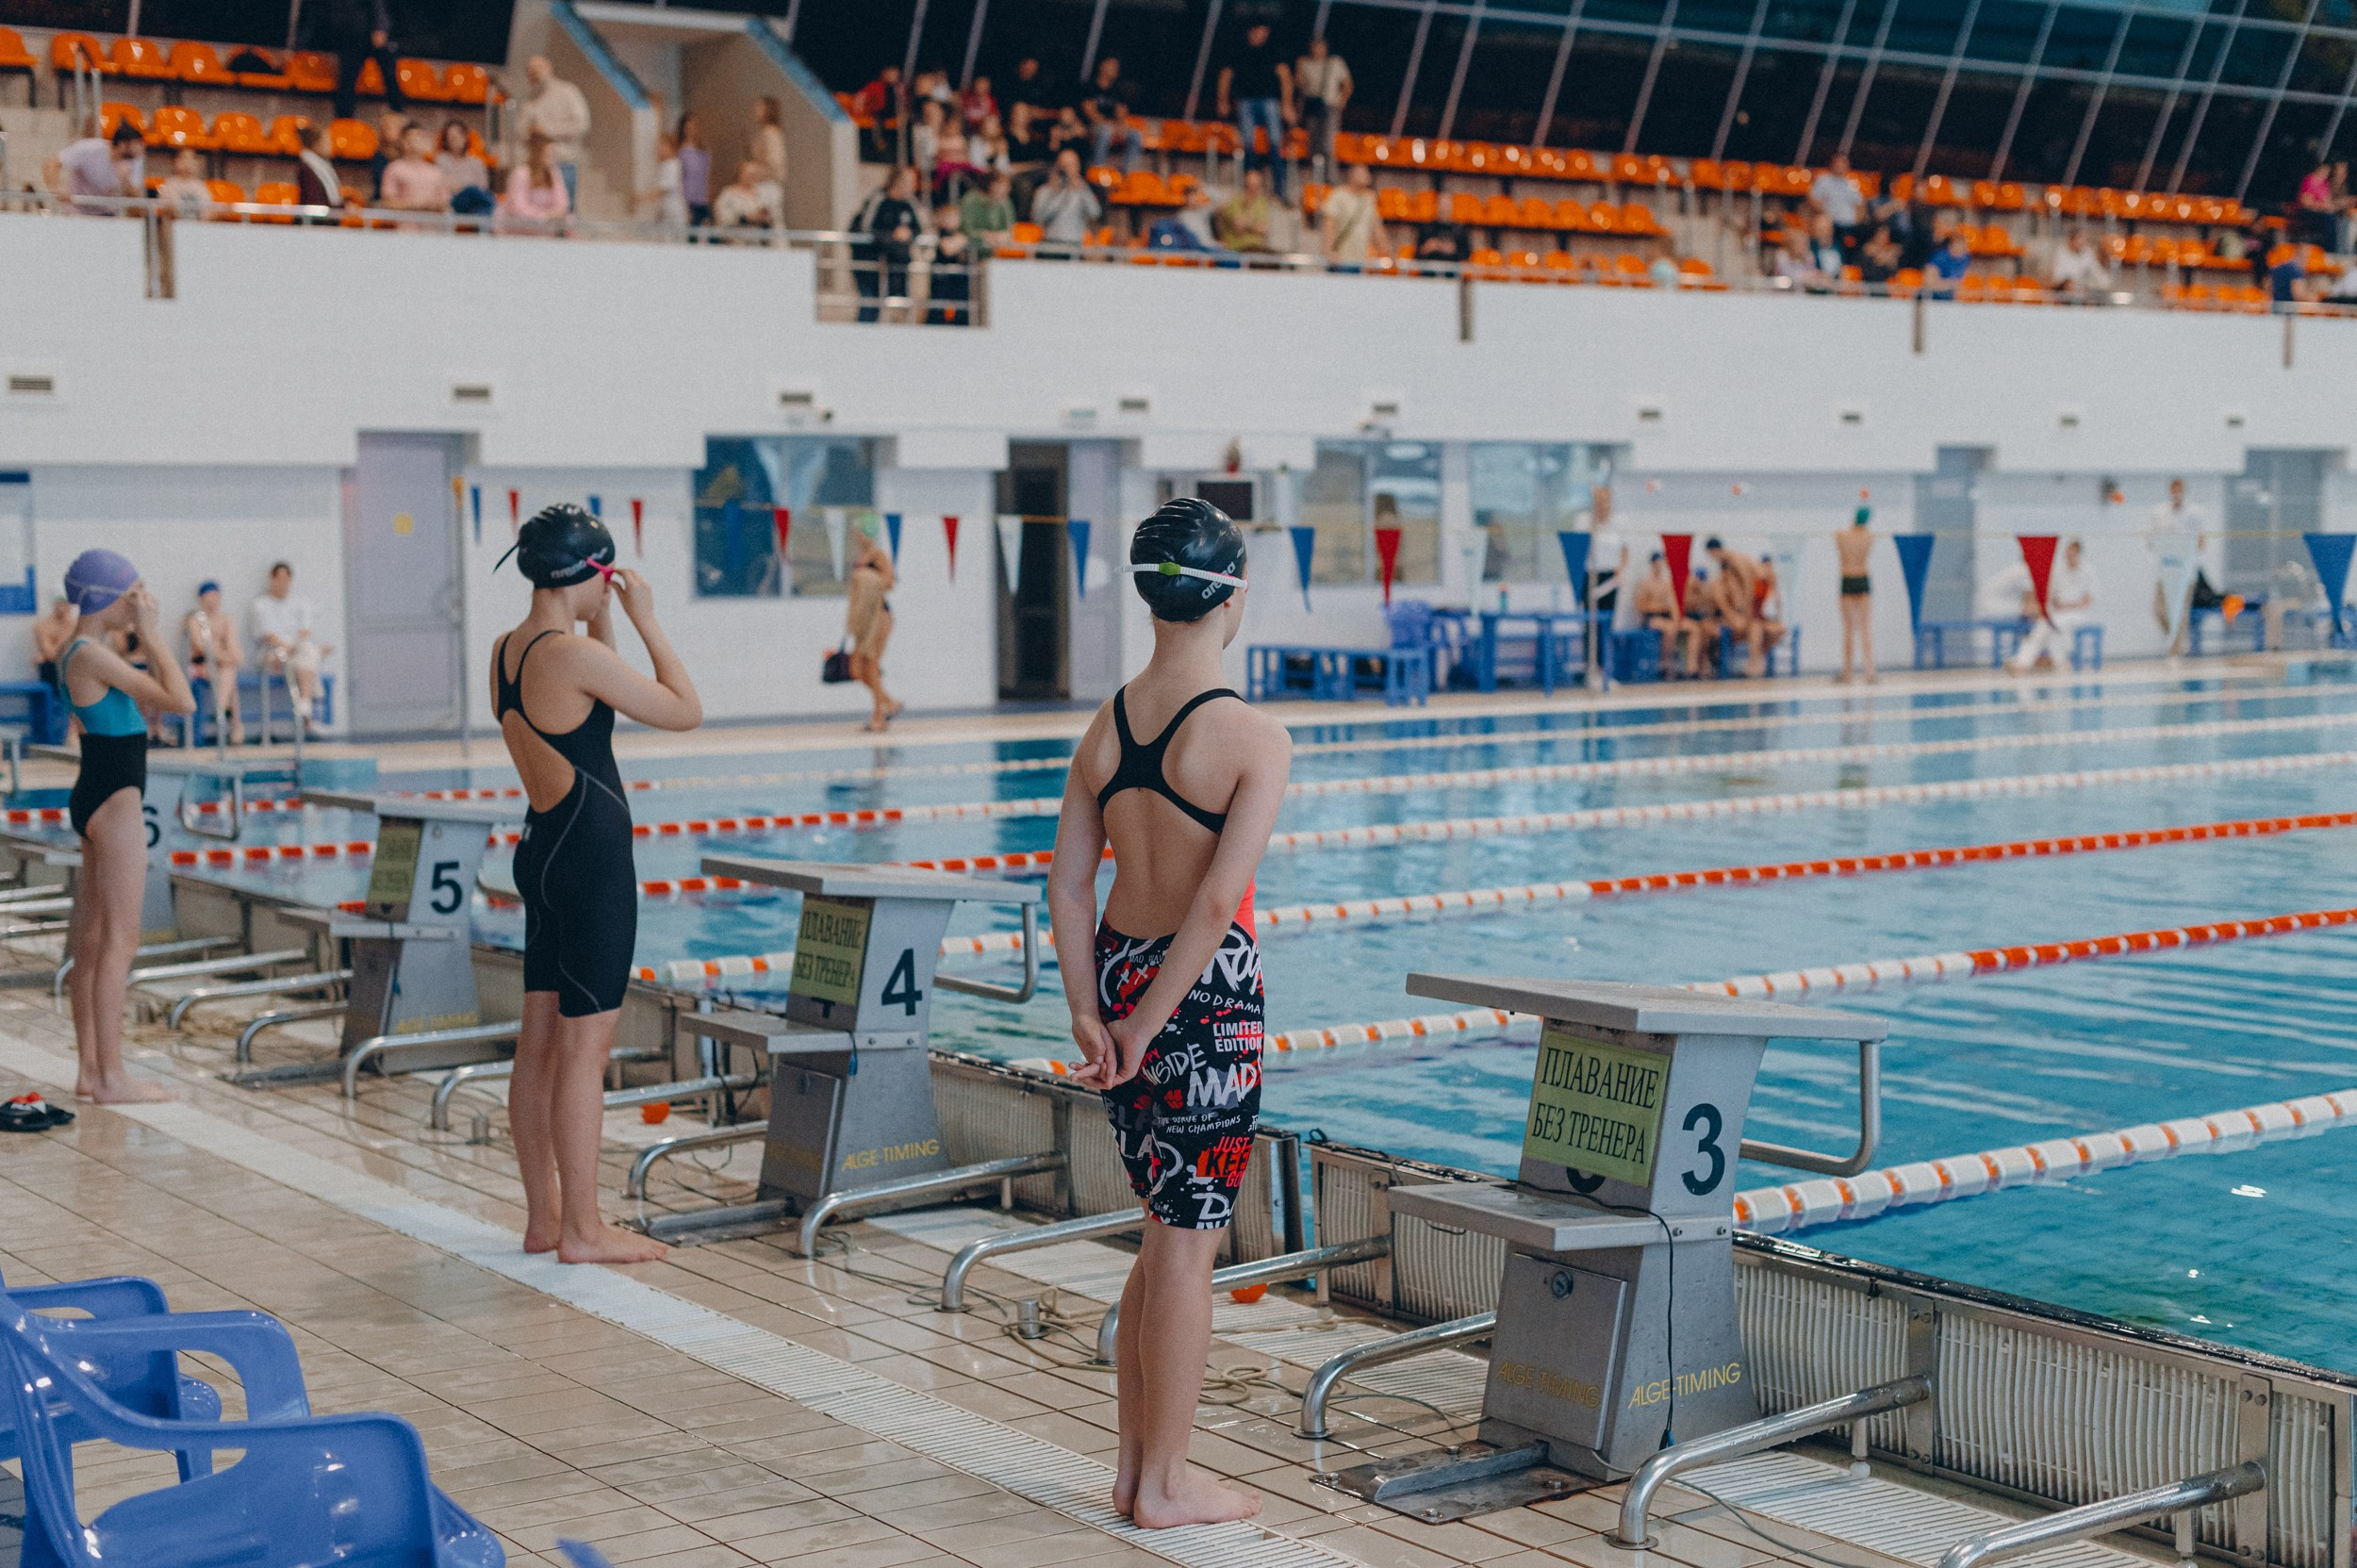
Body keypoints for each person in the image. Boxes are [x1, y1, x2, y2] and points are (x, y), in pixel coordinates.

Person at [1046, 498, 1289, 1531]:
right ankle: (1166, 1483)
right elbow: (1212, 903)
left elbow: (1064, 885)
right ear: (1230, 597)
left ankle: (1133, 1469)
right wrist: (1150, 1022)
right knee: (1190, 1244)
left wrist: (1091, 1009)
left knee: (1159, 1235)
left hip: (1115, 975)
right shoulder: (1248, 734)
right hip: (1200, 999)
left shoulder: (1108, 722)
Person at [492, 504, 701, 1263]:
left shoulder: (511, 651)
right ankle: (583, 1229)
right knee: (585, 1052)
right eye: (607, 578)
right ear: (590, 573)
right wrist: (646, 619)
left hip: (542, 851)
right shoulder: (569, 657)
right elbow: (684, 709)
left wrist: (604, 616)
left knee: (539, 1041)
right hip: (593, 862)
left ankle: (545, 1219)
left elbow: (596, 708)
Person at [57, 551, 194, 1103]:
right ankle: (114, 1077)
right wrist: (154, 634)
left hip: (97, 793)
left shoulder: (84, 652)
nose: (141, 601)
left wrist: (140, 629)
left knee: (91, 942)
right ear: (105, 597)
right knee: (120, 942)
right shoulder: (90, 654)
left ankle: (91, 1072)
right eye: (132, 592)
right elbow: (181, 700)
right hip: (115, 803)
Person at [251, 562, 335, 734]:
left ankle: (304, 708)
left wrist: (292, 646)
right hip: (273, 652)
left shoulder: (300, 603)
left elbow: (305, 632)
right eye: (279, 578)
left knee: (305, 653)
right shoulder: (261, 605)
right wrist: (286, 646)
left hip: (296, 650)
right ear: (271, 579)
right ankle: (308, 713)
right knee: (309, 655)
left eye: (286, 578)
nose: (282, 582)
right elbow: (268, 635)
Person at [1217, 22, 1293, 200]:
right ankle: (1249, 189)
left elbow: (1285, 77)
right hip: (1246, 102)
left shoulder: (1273, 51)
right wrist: (1222, 101)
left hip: (1269, 102)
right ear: (1250, 31)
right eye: (1258, 31)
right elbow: (1226, 76)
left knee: (1275, 144)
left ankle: (1280, 192)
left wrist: (1287, 105)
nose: (1261, 35)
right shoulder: (1239, 51)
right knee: (1248, 145)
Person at [844, 516, 901, 729]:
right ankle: (889, 703)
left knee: (872, 663)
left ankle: (878, 717)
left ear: (867, 533)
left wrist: (865, 577)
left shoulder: (878, 555)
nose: (856, 537)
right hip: (865, 618)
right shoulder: (861, 556)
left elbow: (889, 582)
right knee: (856, 669)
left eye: (859, 532)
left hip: (880, 616)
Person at [2010, 538, 2094, 673]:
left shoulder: (2087, 571)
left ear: (2078, 554)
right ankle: (2057, 664)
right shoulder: (2060, 571)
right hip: (2060, 613)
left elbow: (2087, 601)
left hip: (2078, 614)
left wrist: (2068, 605)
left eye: (2071, 554)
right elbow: (2053, 596)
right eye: (2067, 554)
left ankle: (2023, 663)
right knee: (2045, 625)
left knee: (2050, 624)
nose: (2068, 557)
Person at [518, 55, 590, 208]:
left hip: (563, 162)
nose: (535, 73)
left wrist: (548, 130)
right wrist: (531, 131)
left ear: (549, 68)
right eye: (531, 71)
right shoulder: (530, 100)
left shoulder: (567, 92)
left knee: (564, 214)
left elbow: (582, 124)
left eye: (538, 69)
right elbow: (521, 130)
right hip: (536, 166)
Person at [1706, 538, 1784, 677]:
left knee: (1766, 629)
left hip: (1752, 606)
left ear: (1713, 551)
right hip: (1747, 610)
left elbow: (1749, 584)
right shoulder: (1727, 569)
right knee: (1755, 628)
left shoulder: (1736, 560)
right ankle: (1754, 661)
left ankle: (1756, 660)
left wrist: (1747, 610)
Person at [184, 581, 244, 744]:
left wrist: (224, 656)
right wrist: (225, 656)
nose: (213, 601)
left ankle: (221, 710)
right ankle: (232, 723)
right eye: (209, 597)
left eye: (215, 597)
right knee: (230, 679)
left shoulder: (227, 620)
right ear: (201, 599)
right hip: (201, 667)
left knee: (228, 675)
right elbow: (201, 648)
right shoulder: (195, 620)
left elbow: (236, 652)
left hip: (222, 669)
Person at [863, 165, 923, 318]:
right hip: (881, 260)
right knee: (876, 301)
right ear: (897, 182)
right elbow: (867, 226)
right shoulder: (880, 199)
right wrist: (891, 236)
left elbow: (920, 228)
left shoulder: (910, 204)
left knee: (905, 298)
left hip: (903, 260)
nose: (914, 186)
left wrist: (908, 233)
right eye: (910, 181)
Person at [1294, 36, 1351, 182]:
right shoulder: (1306, 64)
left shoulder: (1335, 62)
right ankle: (1316, 179)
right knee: (1314, 145)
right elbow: (1299, 86)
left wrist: (1342, 101)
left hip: (1330, 106)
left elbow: (1348, 84)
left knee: (1328, 145)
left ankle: (1331, 179)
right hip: (1313, 106)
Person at [58, 120, 144, 214]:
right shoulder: (90, 148)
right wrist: (57, 189)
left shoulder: (135, 160)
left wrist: (125, 180)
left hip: (108, 212)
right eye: (137, 144)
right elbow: (52, 164)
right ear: (122, 145)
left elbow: (135, 196)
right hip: (78, 209)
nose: (141, 148)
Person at [1835, 506, 1876, 684]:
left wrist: (1851, 526)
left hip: (1848, 579)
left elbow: (1838, 536)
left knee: (1849, 629)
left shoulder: (1842, 536)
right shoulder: (1869, 537)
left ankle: (1848, 673)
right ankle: (1869, 671)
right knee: (1866, 627)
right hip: (1863, 579)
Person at [1085, 58, 1145, 175]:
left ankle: (1127, 174)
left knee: (1135, 135)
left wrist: (1121, 125)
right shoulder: (1090, 86)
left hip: (1113, 126)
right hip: (1092, 126)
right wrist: (1109, 124)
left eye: (1117, 67)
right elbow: (1090, 112)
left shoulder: (1116, 90)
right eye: (1112, 66)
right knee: (1105, 131)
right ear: (1102, 66)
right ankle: (1097, 171)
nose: (1115, 69)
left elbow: (1122, 112)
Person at [1032, 149, 1101, 249]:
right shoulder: (1045, 191)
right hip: (1050, 245)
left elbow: (1095, 213)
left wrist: (1084, 190)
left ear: (1078, 167)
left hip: (1075, 245)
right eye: (1065, 166)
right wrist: (1057, 194)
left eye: (1072, 165)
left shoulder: (1082, 192)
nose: (1068, 170)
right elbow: (1038, 218)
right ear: (1057, 167)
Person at [1320, 160, 1382, 267]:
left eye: (1366, 173)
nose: (1366, 176)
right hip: (1340, 259)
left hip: (1360, 260)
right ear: (1352, 175)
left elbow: (1376, 228)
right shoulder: (1338, 195)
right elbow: (1329, 224)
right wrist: (1329, 251)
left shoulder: (1369, 198)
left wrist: (1388, 251)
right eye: (1361, 172)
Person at [501, 133, 570, 228]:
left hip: (546, 230)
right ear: (538, 153)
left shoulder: (554, 174)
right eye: (548, 154)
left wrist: (551, 216)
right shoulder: (521, 173)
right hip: (520, 230)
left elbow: (562, 205)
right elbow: (518, 208)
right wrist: (544, 216)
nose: (552, 157)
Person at [378, 123, 446, 216]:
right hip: (405, 228)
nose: (417, 140)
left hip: (432, 228)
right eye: (413, 137)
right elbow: (388, 203)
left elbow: (444, 204)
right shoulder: (394, 168)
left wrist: (433, 205)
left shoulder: (436, 171)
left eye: (421, 136)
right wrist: (416, 204)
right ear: (403, 142)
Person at [927, 199, 972, 325]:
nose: (954, 220)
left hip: (958, 278)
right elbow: (947, 249)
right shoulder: (938, 233)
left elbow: (963, 242)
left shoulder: (960, 234)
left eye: (956, 217)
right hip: (942, 276)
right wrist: (957, 243)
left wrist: (958, 242)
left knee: (961, 306)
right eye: (950, 217)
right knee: (938, 307)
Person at [1809, 153, 1863, 253]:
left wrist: (1856, 221)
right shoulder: (1823, 181)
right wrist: (1823, 214)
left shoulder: (1851, 184)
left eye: (1843, 163)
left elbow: (1860, 204)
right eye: (1838, 163)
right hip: (1831, 223)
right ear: (1832, 164)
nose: (1840, 166)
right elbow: (1813, 198)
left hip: (1848, 225)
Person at [295, 123, 351, 220]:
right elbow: (314, 201)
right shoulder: (307, 170)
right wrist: (342, 209)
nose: (330, 145)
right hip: (315, 225)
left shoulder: (323, 168)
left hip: (326, 221)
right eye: (327, 142)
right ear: (315, 143)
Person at [1215, 167, 1275, 253]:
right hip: (1239, 248)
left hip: (1258, 247)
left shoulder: (1261, 202)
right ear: (1245, 184)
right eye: (1251, 185)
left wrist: (1247, 224)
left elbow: (1263, 228)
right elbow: (1239, 228)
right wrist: (1255, 226)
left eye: (1257, 185)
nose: (1254, 189)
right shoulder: (1235, 201)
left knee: (1287, 259)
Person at [1149, 184, 1223, 252]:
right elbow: (1194, 240)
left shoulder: (1202, 212)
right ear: (1186, 199)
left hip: (1212, 247)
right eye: (1191, 197)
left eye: (1196, 196)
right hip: (1201, 249)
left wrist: (1202, 190)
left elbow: (1217, 200)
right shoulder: (1182, 216)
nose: (1194, 200)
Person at [438, 119, 491, 211]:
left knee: (483, 203)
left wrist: (460, 186)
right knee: (472, 191)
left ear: (465, 137)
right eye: (451, 137)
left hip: (474, 202)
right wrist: (466, 188)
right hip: (453, 202)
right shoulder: (441, 160)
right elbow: (443, 184)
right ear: (446, 140)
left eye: (457, 136)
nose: (454, 140)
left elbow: (483, 187)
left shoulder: (476, 162)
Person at [713, 160, 776, 230]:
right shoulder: (728, 194)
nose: (751, 177)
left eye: (754, 174)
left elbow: (772, 216)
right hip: (736, 237)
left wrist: (763, 217)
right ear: (740, 174)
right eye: (749, 174)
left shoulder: (762, 194)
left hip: (756, 237)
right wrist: (745, 218)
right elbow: (721, 217)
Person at [961, 168, 1016, 247]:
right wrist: (986, 235)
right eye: (1001, 184)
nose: (1008, 188)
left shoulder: (1006, 202)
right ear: (991, 185)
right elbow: (967, 229)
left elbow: (1011, 228)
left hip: (1000, 249)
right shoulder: (971, 199)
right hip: (975, 247)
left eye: (1007, 185)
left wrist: (1003, 236)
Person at [645, 127, 688, 227]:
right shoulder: (664, 165)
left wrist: (642, 198)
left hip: (675, 213)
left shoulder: (673, 165)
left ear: (669, 147)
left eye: (660, 146)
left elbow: (663, 189)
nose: (658, 150)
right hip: (668, 212)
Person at [33, 596, 75, 697]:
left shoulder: (76, 624)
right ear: (54, 605)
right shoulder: (43, 626)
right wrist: (66, 635)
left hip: (72, 668)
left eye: (65, 604)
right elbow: (50, 655)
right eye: (59, 604)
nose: (62, 608)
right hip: (52, 669)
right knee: (47, 664)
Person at [677, 115, 712, 229]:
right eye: (688, 127)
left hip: (702, 196)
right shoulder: (680, 150)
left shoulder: (703, 150)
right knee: (692, 230)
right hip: (687, 196)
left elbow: (707, 174)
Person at [2049, 230, 2109, 296]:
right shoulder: (2060, 252)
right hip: (2062, 288)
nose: (2082, 245)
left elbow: (2097, 271)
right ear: (2071, 241)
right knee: (2071, 286)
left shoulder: (2087, 253)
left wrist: (2105, 283)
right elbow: (2057, 277)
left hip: (2081, 287)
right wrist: (2069, 281)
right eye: (2079, 242)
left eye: (2083, 242)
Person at [750, 94, 787, 196]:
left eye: (759, 108)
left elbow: (775, 161)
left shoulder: (770, 132)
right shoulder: (765, 132)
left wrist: (754, 172)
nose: (755, 112)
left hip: (767, 185)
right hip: (765, 183)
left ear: (767, 110)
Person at [156, 149, 211, 216]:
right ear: (176, 161)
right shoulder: (169, 184)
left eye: (192, 158)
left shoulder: (201, 186)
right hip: (175, 224)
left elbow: (208, 211)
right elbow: (165, 210)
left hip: (197, 225)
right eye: (184, 158)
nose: (188, 162)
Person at [1924, 228, 1970, 297]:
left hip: (1953, 299)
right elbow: (1929, 282)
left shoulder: (1965, 258)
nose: (1960, 249)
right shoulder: (1939, 258)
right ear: (1950, 245)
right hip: (1935, 298)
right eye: (1957, 245)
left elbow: (1963, 281)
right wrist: (1950, 284)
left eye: (1963, 247)